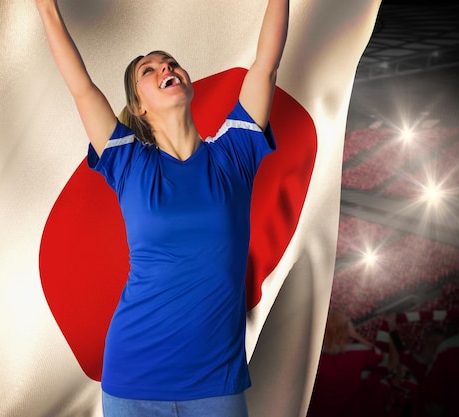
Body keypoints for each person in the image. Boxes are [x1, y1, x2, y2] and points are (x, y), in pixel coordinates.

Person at [35, 0, 288, 415]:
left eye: (170, 62)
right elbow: (81, 87)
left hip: (216, 382)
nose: (165, 68)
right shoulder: (129, 162)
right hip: (133, 378)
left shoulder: (234, 154)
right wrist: (46, 8)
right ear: (138, 106)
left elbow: (265, 65)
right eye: (147, 71)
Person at [307, 310, 388, 417]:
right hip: (348, 411)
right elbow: (380, 355)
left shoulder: (313, 357)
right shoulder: (358, 353)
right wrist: (355, 335)